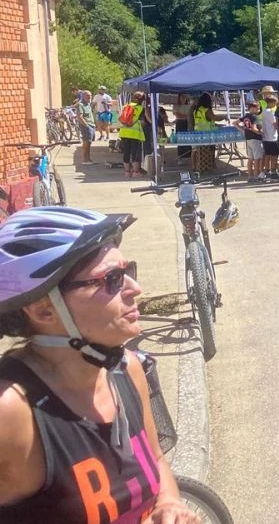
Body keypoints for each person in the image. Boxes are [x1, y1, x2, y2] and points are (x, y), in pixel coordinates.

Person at [0, 207, 200, 522]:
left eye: (128, 270)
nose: (135, 289)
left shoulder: (127, 370)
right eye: (112, 279)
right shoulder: (13, 411)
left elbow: (157, 460)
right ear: (43, 310)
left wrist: (168, 503)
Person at [117, 92, 147, 178]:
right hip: (135, 134)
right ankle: (135, 172)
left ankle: (127, 172)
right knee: (135, 153)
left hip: (124, 133)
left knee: (126, 152)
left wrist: (127, 124)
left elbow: (120, 118)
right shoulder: (141, 108)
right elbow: (142, 121)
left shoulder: (126, 106)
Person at [237, 101, 265, 181]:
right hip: (255, 139)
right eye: (258, 108)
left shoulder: (246, 116)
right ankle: (256, 176)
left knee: (250, 159)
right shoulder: (254, 117)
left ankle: (250, 176)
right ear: (252, 109)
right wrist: (260, 133)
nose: (258, 110)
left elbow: (235, 123)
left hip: (248, 138)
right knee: (257, 158)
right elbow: (253, 128)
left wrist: (243, 130)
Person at [73, 91, 96, 165]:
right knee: (86, 143)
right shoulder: (81, 104)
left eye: (90, 95)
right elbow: (79, 116)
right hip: (86, 126)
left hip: (91, 125)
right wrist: (86, 125)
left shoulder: (88, 104)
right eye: (88, 95)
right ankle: (84, 160)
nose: (89, 97)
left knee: (89, 143)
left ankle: (88, 159)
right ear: (83, 96)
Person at [261, 94, 279, 179]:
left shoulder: (264, 111)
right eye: (274, 103)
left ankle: (267, 170)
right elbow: (275, 124)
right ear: (271, 102)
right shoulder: (270, 112)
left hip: (266, 136)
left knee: (267, 155)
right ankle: (273, 171)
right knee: (274, 155)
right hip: (272, 136)